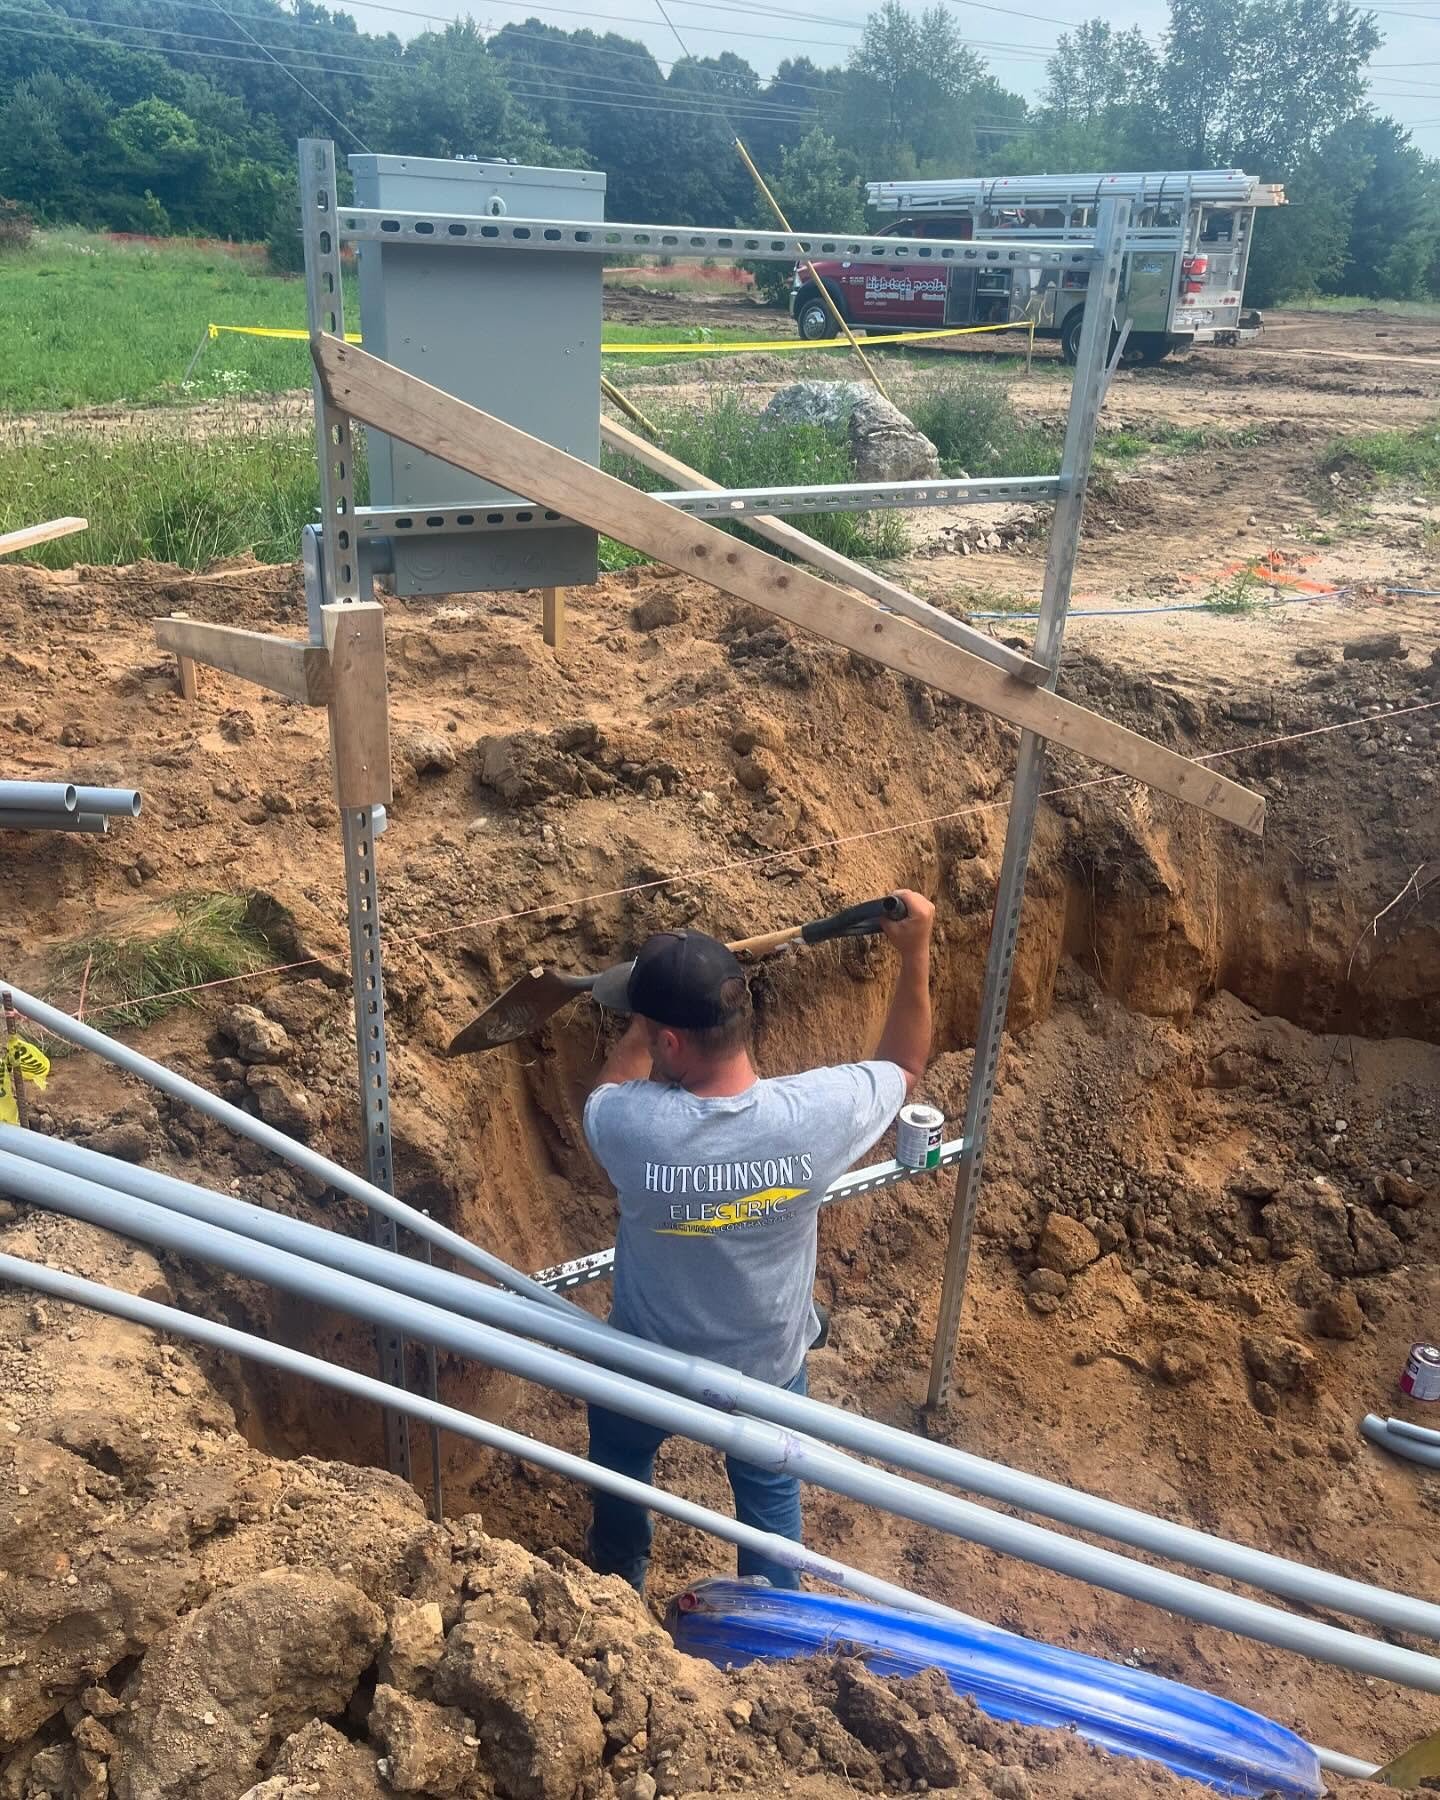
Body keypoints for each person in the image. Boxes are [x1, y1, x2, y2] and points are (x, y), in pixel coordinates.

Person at [580, 889, 936, 1594]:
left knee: (617, 1476)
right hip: (766, 1366)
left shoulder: (631, 1129)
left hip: (643, 1358)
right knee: (772, 1512)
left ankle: (617, 1587)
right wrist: (915, 953)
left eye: (652, 1029)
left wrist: (636, 1031)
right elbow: (905, 1067)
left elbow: (609, 1090)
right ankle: (775, 1617)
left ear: (670, 1043)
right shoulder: (815, 1117)